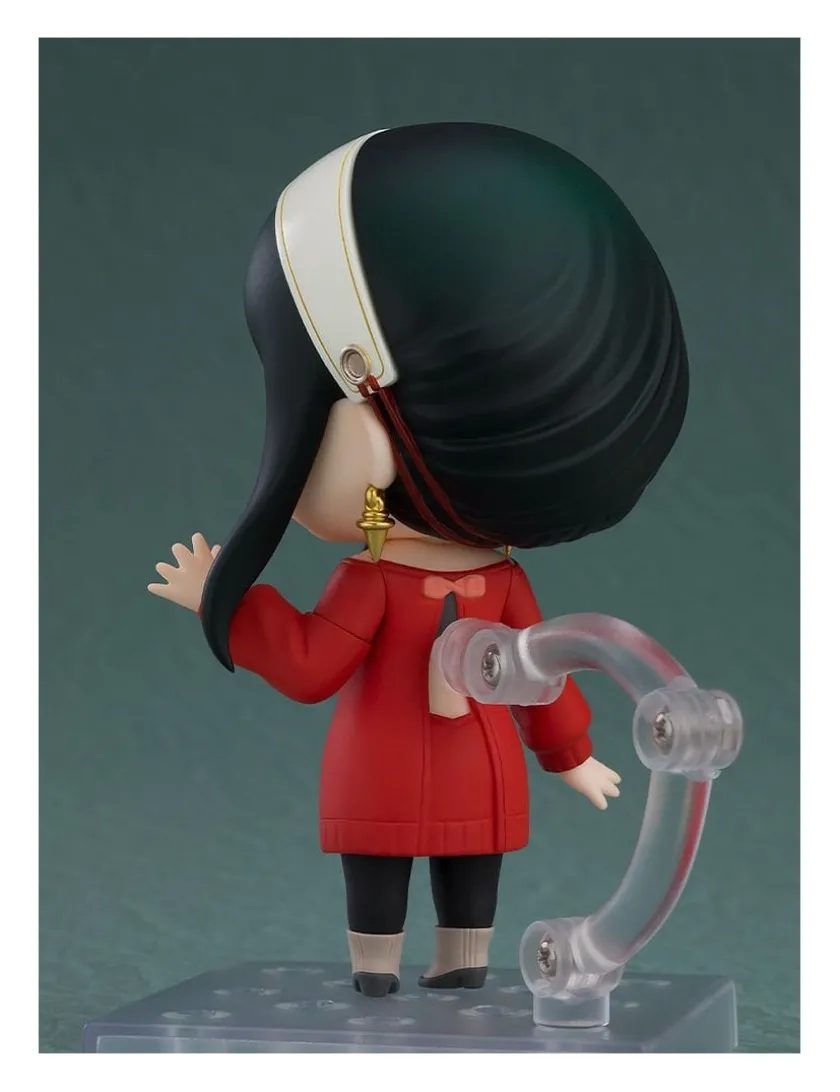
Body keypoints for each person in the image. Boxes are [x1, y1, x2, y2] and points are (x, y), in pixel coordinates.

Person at [149, 122, 689, 997]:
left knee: (436, 874)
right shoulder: (458, 582)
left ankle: (430, 967)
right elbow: (535, 672)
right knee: (412, 872)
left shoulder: (388, 582)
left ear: (364, 432)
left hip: (402, 767)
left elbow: (517, 676)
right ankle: (391, 971)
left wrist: (227, 599)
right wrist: (570, 757)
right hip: (451, 768)